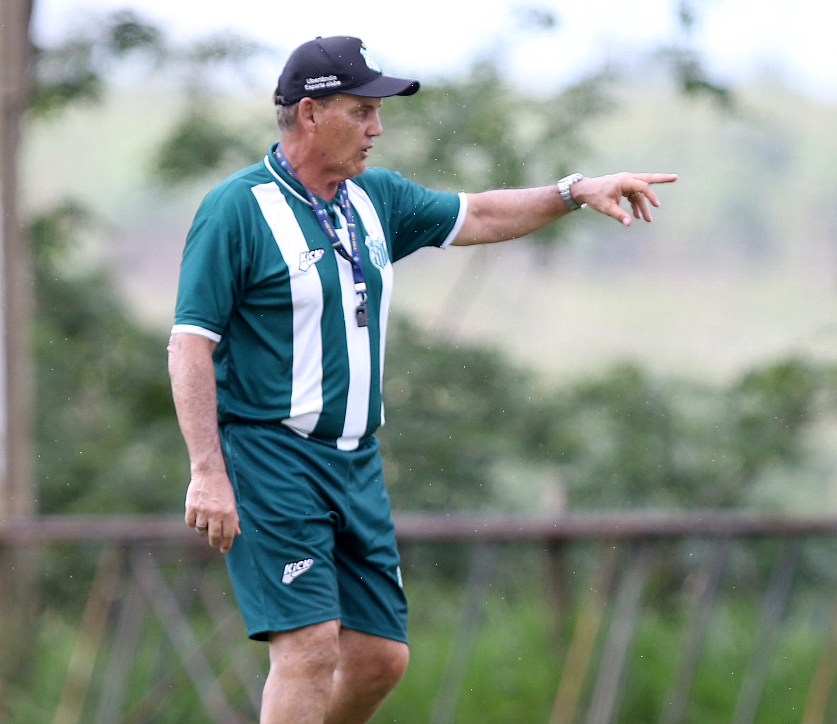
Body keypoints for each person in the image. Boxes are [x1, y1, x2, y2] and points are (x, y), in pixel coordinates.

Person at [168, 35, 676, 724]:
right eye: (362, 110)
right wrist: (208, 470)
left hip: (356, 461)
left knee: (380, 658)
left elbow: (483, 214)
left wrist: (574, 192)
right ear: (312, 114)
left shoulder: (372, 198)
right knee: (312, 646)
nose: (377, 128)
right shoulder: (237, 210)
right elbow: (191, 344)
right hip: (270, 456)